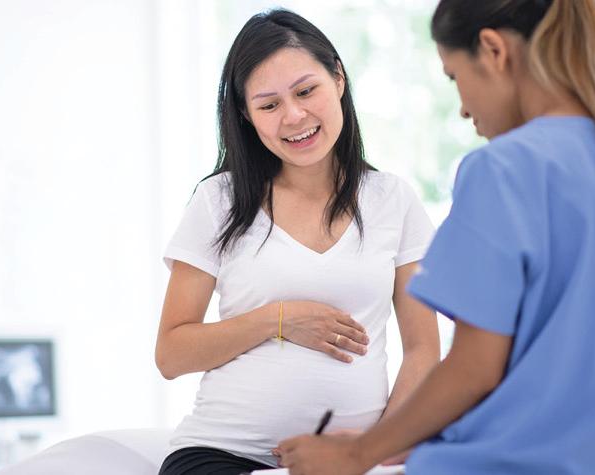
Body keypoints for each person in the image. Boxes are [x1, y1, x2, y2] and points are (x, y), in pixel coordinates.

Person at [277, 0, 595, 473]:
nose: (461, 109)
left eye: (455, 77)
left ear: (493, 50)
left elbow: (474, 369)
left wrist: (358, 453)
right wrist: (403, 439)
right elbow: (570, 385)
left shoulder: (506, 170)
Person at [155, 9, 441, 475]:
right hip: (223, 455)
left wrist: (379, 447)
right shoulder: (219, 200)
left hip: (353, 463)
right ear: (247, 116)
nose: (294, 116)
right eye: (269, 105)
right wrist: (278, 319)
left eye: (306, 91)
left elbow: (424, 350)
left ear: (338, 80)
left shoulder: (393, 200)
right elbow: (171, 354)